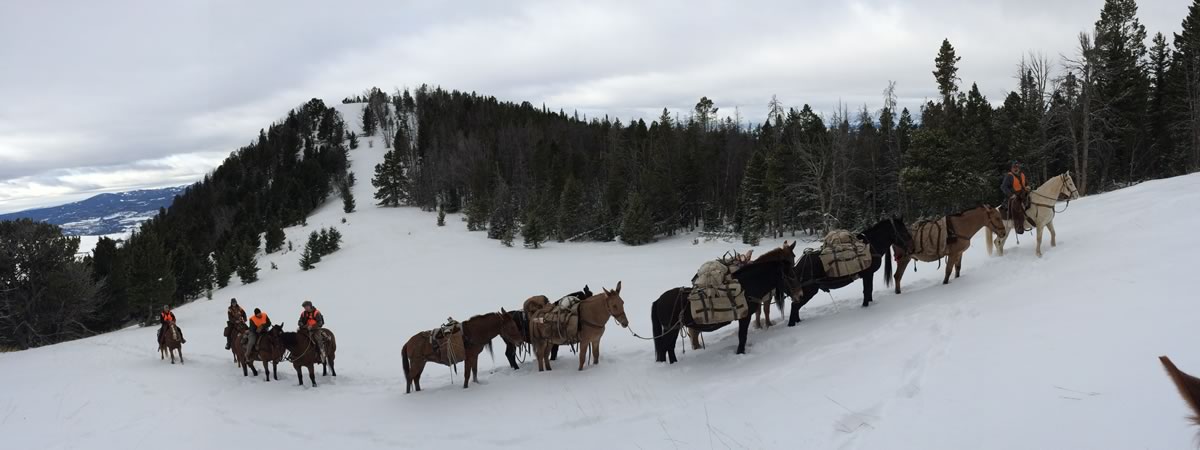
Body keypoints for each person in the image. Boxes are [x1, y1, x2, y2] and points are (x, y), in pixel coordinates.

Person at [1001, 160, 1030, 234]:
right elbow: (1003, 187)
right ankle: (1019, 226)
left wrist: (1027, 186)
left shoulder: (1022, 174)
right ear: (1011, 168)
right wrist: (1011, 195)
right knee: (1018, 208)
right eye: (1014, 167)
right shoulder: (1009, 176)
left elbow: (1026, 183)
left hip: (1023, 194)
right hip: (1015, 196)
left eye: (1017, 167)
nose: (1016, 168)